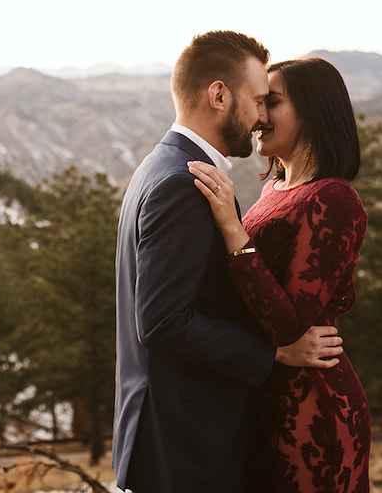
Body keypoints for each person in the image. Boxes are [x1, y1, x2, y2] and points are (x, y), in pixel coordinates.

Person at [113, 32, 345, 493]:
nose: (261, 117)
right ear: (218, 95)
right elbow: (161, 321)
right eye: (259, 100)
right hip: (187, 451)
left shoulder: (162, 166)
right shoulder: (185, 183)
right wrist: (275, 351)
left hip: (171, 441)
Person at [188, 55, 371, 492]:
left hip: (313, 408)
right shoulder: (275, 189)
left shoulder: (334, 199)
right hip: (267, 394)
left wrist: (233, 229)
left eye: (272, 102)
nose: (258, 117)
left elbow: (290, 324)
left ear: (311, 111)